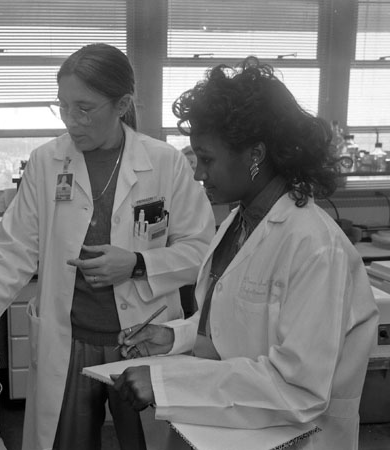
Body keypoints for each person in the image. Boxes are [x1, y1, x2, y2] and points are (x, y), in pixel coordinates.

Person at [0, 43, 215, 450]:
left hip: (143, 339)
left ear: (122, 104)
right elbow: (13, 250)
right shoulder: (46, 162)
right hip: (69, 342)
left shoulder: (165, 163)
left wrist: (137, 264)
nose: (72, 121)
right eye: (64, 107)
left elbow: (201, 251)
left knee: (146, 443)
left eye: (84, 108)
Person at [112, 56, 379, 449]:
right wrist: (175, 337)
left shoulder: (314, 247)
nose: (199, 174)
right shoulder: (240, 221)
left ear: (254, 155)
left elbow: (297, 384)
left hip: (295, 437)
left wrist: (167, 382)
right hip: (231, 430)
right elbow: (240, 323)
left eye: (207, 158)